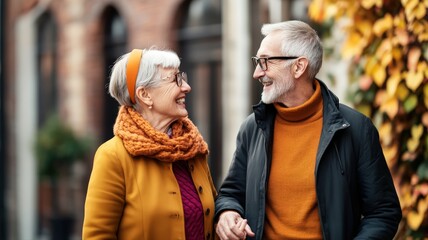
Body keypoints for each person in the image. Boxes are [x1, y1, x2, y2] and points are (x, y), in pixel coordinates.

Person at [215, 20, 402, 240]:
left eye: (265, 62)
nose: (257, 73)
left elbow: (383, 213)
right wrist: (228, 212)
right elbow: (231, 193)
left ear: (298, 67)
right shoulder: (252, 127)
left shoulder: (356, 129)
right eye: (258, 61)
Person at [82, 47, 217, 239]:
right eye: (175, 79)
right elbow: (97, 236)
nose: (186, 87)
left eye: (183, 77)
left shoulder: (193, 147)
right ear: (145, 95)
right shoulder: (113, 156)